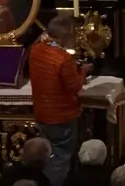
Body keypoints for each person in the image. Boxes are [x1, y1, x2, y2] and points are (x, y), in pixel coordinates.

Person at [29, 14, 89, 186]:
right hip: (62, 116)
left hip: (42, 114)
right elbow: (74, 86)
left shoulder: (36, 49)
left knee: (47, 157)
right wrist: (83, 71)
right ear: (64, 36)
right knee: (61, 160)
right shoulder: (63, 58)